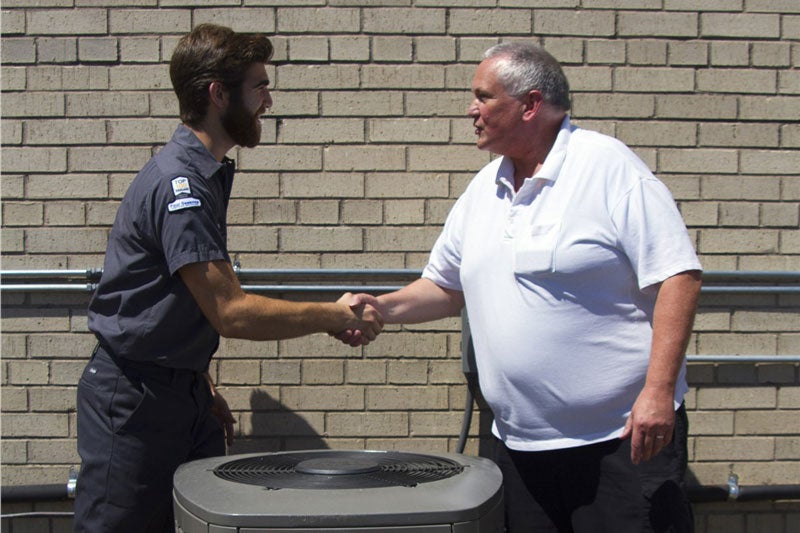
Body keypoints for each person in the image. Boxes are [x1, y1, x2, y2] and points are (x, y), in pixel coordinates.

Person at [337, 41, 702, 532]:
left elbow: (678, 275)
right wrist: (376, 308)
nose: (472, 110)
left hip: (619, 442)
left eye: (484, 97)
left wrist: (658, 392)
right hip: (518, 448)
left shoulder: (607, 169)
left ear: (530, 105)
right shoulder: (484, 189)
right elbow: (445, 288)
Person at [74, 24, 383, 533]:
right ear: (219, 95)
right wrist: (335, 314)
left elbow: (175, 301)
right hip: (134, 403)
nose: (268, 99)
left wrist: (200, 386)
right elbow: (230, 312)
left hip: (180, 393)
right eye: (259, 86)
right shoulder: (183, 186)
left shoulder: (206, 174)